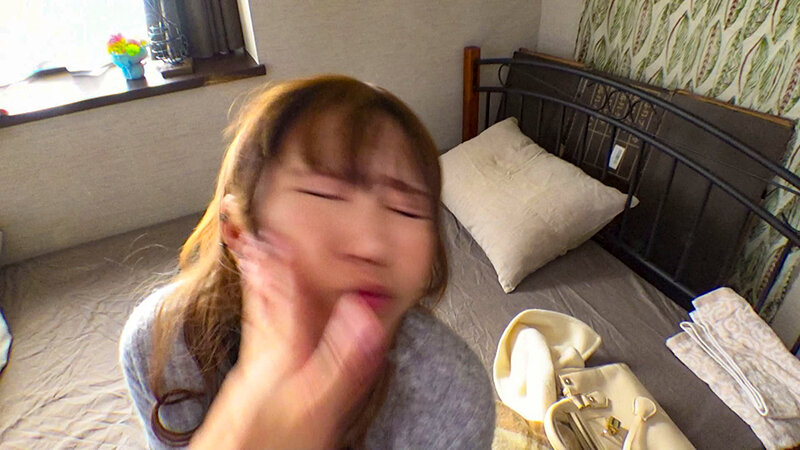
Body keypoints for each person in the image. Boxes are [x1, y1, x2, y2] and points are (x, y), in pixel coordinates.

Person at [119, 75, 494, 449]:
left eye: (406, 210)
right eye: (325, 194)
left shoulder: (453, 396)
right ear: (237, 231)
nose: (372, 246)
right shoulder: (163, 346)